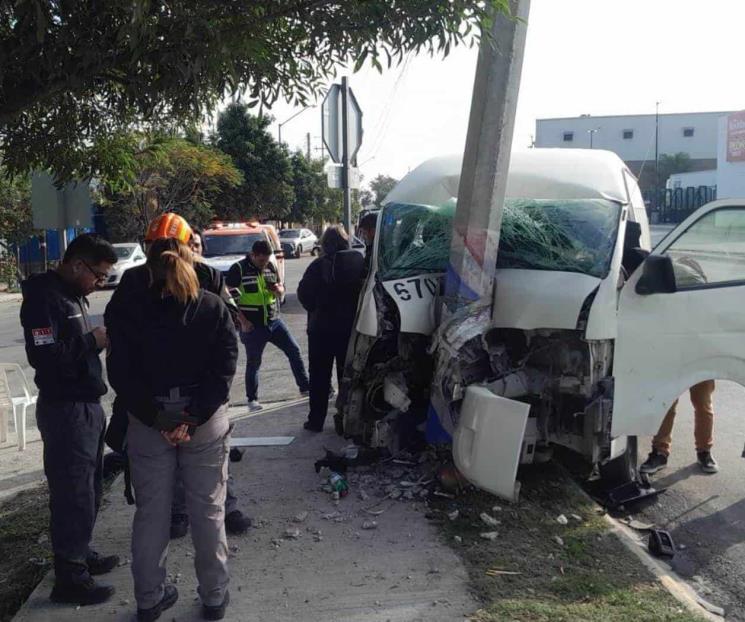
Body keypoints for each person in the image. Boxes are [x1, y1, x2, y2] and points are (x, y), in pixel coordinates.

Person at [107, 238, 237, 622]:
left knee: (151, 514)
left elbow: (120, 372)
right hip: (203, 420)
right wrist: (192, 416)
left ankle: (149, 600)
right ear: (190, 261)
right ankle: (214, 598)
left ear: (148, 266)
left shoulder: (129, 309)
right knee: (209, 510)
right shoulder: (212, 307)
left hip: (150, 422)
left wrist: (157, 417)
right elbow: (225, 367)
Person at [104, 215, 252, 539]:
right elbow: (121, 347)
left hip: (200, 395)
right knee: (168, 467)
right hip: (154, 395)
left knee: (211, 459)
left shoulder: (208, 276)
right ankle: (178, 514)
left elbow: (226, 331)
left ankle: (227, 508)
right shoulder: (133, 283)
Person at [20, 233, 119, 605]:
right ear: (77, 264)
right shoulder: (44, 298)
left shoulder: (72, 294)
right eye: (98, 274)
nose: (100, 283)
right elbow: (44, 357)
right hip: (65, 410)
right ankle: (70, 575)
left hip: (87, 405)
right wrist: (92, 341)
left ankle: (82, 551)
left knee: (90, 489)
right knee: (72, 494)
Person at [226, 240, 310, 412]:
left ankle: (305, 387)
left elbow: (280, 288)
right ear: (254, 255)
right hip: (252, 325)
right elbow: (229, 298)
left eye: (266, 260)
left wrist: (279, 291)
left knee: (293, 350)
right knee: (254, 362)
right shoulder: (239, 269)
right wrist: (242, 321)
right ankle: (252, 399)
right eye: (261, 260)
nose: (264, 264)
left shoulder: (270, 266)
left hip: (274, 321)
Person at [297, 226, 365, 432]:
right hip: (348, 329)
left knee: (319, 377)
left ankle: (316, 420)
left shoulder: (318, 266)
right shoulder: (357, 265)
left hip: (321, 330)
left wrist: (316, 308)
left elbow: (304, 294)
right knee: (347, 376)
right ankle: (345, 420)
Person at [640, 381, 718, 474]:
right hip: (671, 367)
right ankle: (660, 453)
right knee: (666, 404)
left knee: (703, 403)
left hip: (701, 367)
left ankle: (704, 451)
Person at [358, 211, 378, 275]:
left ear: (373, 231)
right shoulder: (372, 248)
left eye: (364, 233)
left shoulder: (379, 251)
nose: (363, 237)